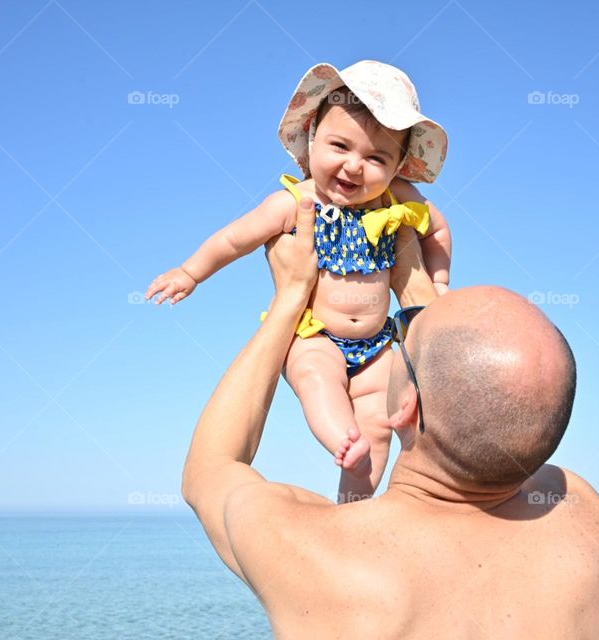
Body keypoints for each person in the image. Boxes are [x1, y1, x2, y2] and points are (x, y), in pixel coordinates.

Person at [181, 199, 599, 639]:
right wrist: (410, 263)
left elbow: (209, 469)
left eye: (401, 337)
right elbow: (497, 411)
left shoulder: (312, 551)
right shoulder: (582, 515)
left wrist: (290, 298)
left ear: (405, 403)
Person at [146, 60, 452, 501]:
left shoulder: (398, 199)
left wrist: (439, 283)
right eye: (340, 146)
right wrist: (190, 272)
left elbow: (438, 229)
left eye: (375, 157)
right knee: (314, 379)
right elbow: (235, 240)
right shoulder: (291, 203)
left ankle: (354, 505)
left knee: (382, 423)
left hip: (378, 342)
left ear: (399, 165)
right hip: (314, 335)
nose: (354, 166)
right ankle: (341, 439)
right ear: (311, 141)